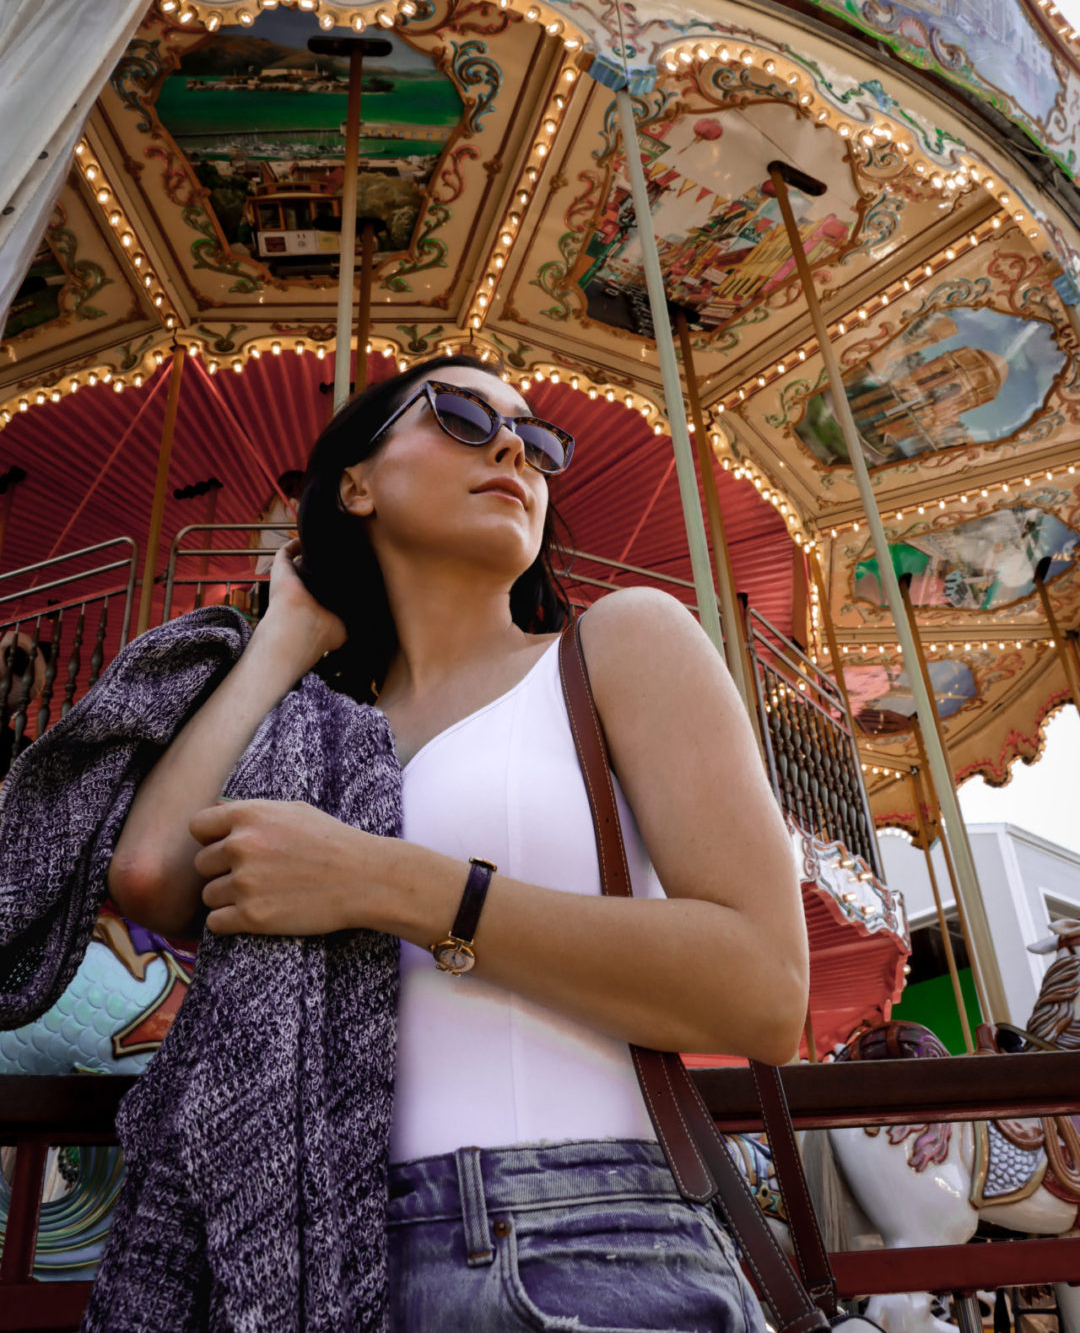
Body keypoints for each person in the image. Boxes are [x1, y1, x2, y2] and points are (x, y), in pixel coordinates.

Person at [106, 354, 808, 1331]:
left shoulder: (619, 644)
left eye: (534, 437)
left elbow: (766, 990)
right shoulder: (322, 733)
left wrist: (387, 883)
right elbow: (152, 875)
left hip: (581, 1236)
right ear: (356, 484)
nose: (515, 445)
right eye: (462, 418)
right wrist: (282, 638)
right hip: (321, 1259)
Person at [250, 468, 304, 617]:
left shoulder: (268, 509)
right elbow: (301, 535)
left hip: (260, 584)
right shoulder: (291, 504)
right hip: (280, 579)